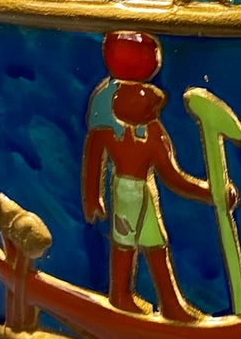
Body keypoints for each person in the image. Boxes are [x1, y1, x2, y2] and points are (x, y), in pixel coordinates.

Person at [80, 34, 232, 318]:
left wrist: (212, 193)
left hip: (143, 192)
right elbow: (95, 157)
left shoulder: (151, 133)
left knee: (156, 244)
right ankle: (120, 295)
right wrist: (92, 197)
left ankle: (170, 304)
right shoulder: (115, 129)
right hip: (127, 192)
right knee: (125, 243)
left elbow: (172, 176)